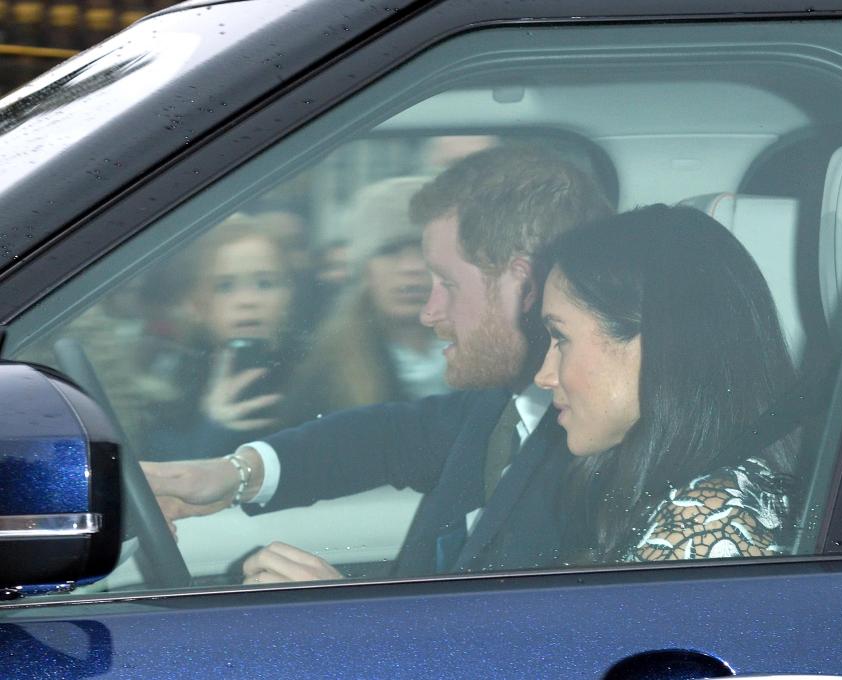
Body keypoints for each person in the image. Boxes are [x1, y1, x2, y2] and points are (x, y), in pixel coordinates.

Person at [143, 144, 613, 583]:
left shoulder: (601, 451)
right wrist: (234, 473)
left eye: (447, 285)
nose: (429, 312)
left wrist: (356, 619)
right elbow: (389, 437)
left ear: (522, 285)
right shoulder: (507, 405)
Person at [533, 205, 797, 565]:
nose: (544, 376)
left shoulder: (706, 523)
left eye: (560, 338)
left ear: (655, 341)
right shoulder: (700, 499)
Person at [143, 214, 307, 460]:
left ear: (289, 294)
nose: (248, 301)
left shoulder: (316, 371)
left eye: (265, 283)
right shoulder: (168, 390)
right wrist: (213, 429)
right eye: (225, 287)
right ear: (195, 305)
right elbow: (166, 485)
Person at [284, 176, 447, 419]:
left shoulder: (493, 357)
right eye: (389, 251)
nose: (411, 267)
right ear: (364, 270)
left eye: (424, 250)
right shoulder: (327, 371)